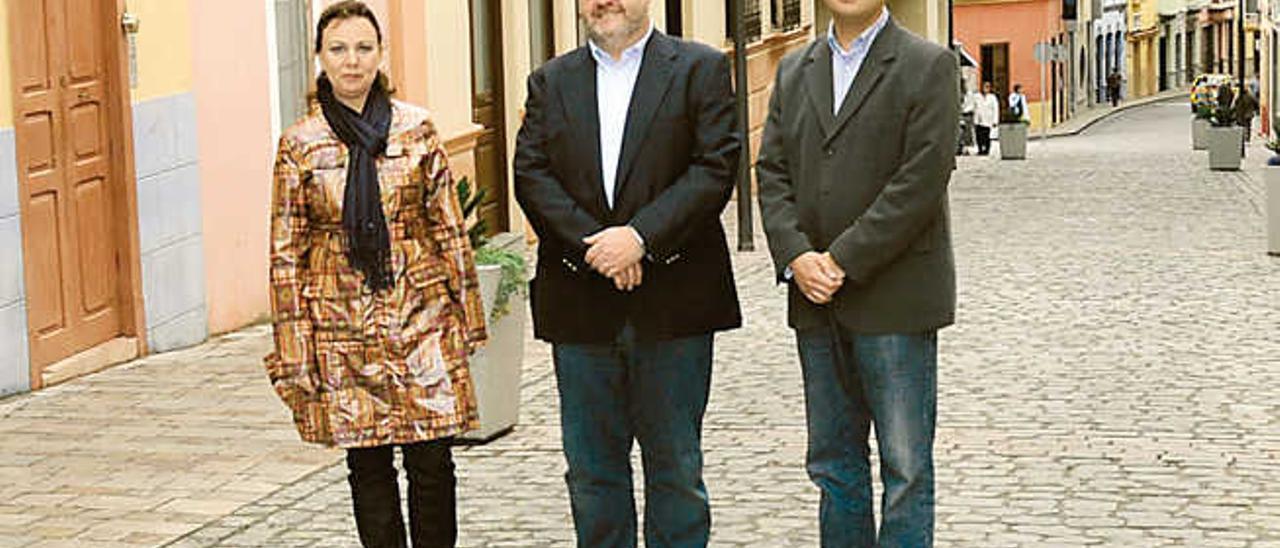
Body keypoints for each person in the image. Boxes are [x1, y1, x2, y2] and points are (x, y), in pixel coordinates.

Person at [512, 0, 742, 546]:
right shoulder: (549, 81)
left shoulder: (700, 69)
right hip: (580, 305)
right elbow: (531, 174)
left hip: (675, 306)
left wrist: (639, 238)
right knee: (592, 475)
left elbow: (714, 168)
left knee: (677, 472)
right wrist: (598, 248)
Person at [264, 2, 487, 546]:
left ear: (380, 54)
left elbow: (450, 229)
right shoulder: (301, 143)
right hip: (342, 327)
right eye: (338, 49)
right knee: (368, 467)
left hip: (421, 318)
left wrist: (470, 317)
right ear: (320, 57)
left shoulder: (416, 129)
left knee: (432, 461)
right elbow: (285, 251)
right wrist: (295, 348)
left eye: (364, 48)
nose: (352, 61)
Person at [756, 0, 958, 545]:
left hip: (895, 301)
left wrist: (842, 259)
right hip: (815, 301)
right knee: (832, 465)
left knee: (905, 469)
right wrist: (796, 255)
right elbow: (770, 172)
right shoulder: (795, 69)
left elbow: (921, 179)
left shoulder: (928, 65)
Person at [974, 81, 1000, 156]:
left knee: (987, 136)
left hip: (988, 119)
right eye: (984, 87)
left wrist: (995, 120)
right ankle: (980, 149)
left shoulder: (992, 97)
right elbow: (974, 106)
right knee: (979, 136)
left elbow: (996, 109)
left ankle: (986, 150)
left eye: (987, 87)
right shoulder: (977, 96)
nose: (985, 89)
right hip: (978, 119)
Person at [1235, 86, 1258, 155]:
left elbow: (1236, 104)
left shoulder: (1239, 97)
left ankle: (1243, 137)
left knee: (1242, 125)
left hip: (1242, 114)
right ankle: (1247, 137)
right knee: (1248, 126)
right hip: (1249, 114)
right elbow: (1256, 103)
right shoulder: (1250, 96)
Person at [959, 81, 978, 155]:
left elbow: (973, 105)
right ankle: (960, 147)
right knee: (960, 132)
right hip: (960, 114)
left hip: (968, 114)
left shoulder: (970, 94)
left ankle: (967, 148)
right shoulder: (959, 93)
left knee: (968, 133)